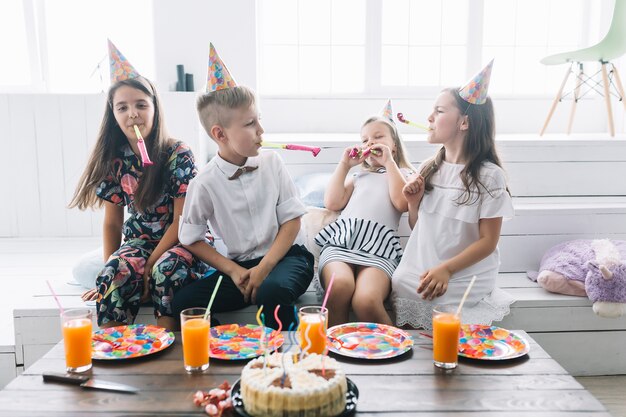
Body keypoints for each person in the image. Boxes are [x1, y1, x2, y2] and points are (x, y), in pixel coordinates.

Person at [168, 43, 314, 329]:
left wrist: (265, 269)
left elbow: (292, 222)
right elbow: (190, 236)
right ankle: (230, 344)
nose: (261, 129)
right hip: (241, 269)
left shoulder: (273, 163)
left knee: (272, 291)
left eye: (259, 119)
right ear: (220, 134)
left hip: (287, 259)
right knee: (183, 303)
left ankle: (285, 355)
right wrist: (234, 271)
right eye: (250, 123)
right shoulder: (205, 183)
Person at [69, 40, 199, 328]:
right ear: (113, 116)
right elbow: (112, 223)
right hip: (139, 242)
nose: (133, 114)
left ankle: (165, 348)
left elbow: (183, 219)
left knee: (165, 272)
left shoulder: (178, 154)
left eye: (141, 105)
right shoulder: (115, 160)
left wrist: (149, 265)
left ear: (155, 109)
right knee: (112, 275)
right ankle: (115, 351)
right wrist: (111, 272)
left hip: (181, 239)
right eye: (122, 107)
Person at [392, 60, 515, 329]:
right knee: (401, 281)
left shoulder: (488, 176)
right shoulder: (430, 169)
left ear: (464, 123)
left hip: (465, 270)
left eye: (439, 111)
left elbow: (488, 242)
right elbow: (421, 229)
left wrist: (447, 269)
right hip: (428, 263)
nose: (429, 118)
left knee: (439, 298)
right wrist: (414, 204)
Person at [315, 100, 413, 326]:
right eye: (365, 139)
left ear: (394, 145)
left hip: (379, 250)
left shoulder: (404, 174)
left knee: (366, 301)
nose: (371, 142)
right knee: (339, 286)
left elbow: (401, 203)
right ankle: (336, 352)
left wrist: (389, 163)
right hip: (342, 243)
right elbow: (332, 202)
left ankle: (393, 352)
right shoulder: (359, 176)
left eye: (378, 137)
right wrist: (344, 165)